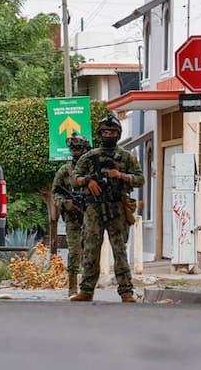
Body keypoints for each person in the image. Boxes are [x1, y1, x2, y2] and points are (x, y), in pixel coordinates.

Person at [70, 114, 144, 303]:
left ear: (118, 134)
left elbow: (140, 179)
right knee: (91, 249)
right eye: (104, 131)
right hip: (94, 208)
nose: (108, 134)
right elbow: (74, 178)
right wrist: (88, 181)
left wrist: (121, 176)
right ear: (99, 133)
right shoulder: (89, 157)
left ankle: (126, 291)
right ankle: (86, 290)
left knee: (120, 250)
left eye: (111, 131)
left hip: (117, 207)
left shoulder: (126, 157)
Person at [52, 134, 91, 298]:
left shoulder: (91, 170)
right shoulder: (65, 171)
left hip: (90, 217)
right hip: (72, 218)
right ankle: (72, 287)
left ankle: (87, 288)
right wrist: (66, 204)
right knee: (74, 252)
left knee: (90, 253)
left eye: (78, 148)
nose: (75, 152)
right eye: (73, 149)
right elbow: (56, 193)